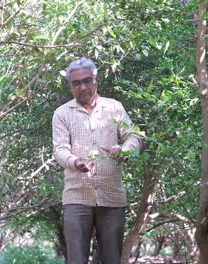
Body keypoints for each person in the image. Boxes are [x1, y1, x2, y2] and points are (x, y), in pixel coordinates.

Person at [52, 57, 142, 264]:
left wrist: (125, 150)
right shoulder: (62, 114)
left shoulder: (114, 108)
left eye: (87, 81)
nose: (83, 87)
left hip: (112, 196)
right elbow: (60, 149)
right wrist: (75, 162)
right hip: (76, 196)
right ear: (70, 86)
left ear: (96, 80)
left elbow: (133, 136)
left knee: (112, 258)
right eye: (76, 83)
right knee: (76, 259)